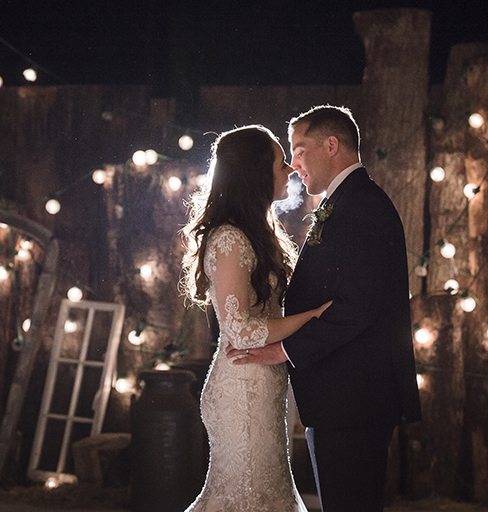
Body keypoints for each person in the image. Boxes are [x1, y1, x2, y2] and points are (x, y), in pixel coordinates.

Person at [227, 105, 422, 512]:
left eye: (299, 150)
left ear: (332, 145)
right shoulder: (346, 203)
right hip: (342, 397)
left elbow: (358, 306)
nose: (293, 164)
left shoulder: (362, 207)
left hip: (354, 400)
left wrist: (283, 350)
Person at [180, 125, 331, 512]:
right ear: (257, 173)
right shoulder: (228, 239)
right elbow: (241, 329)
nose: (291, 171)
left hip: (264, 387)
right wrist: (311, 318)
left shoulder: (259, 232)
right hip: (241, 390)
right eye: (282, 164)